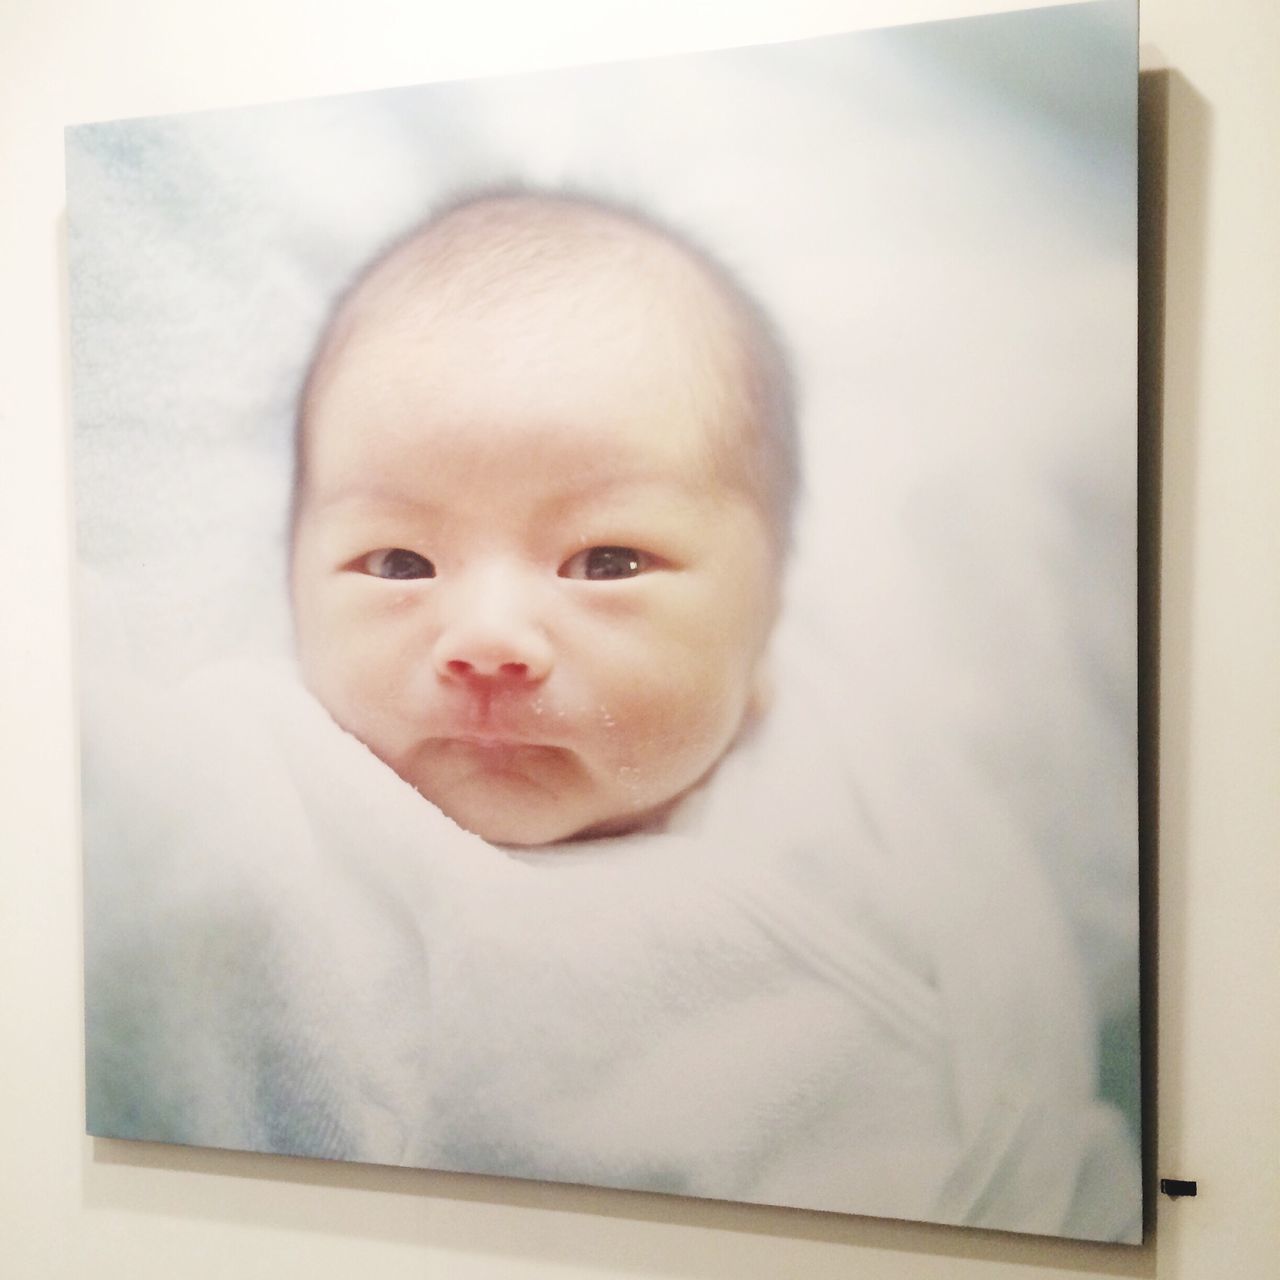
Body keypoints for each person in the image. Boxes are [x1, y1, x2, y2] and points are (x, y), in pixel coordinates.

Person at [290, 189, 798, 845]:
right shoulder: (270, 819)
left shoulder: (848, 847)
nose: (488, 639)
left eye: (606, 564)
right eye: (400, 565)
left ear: (765, 630)